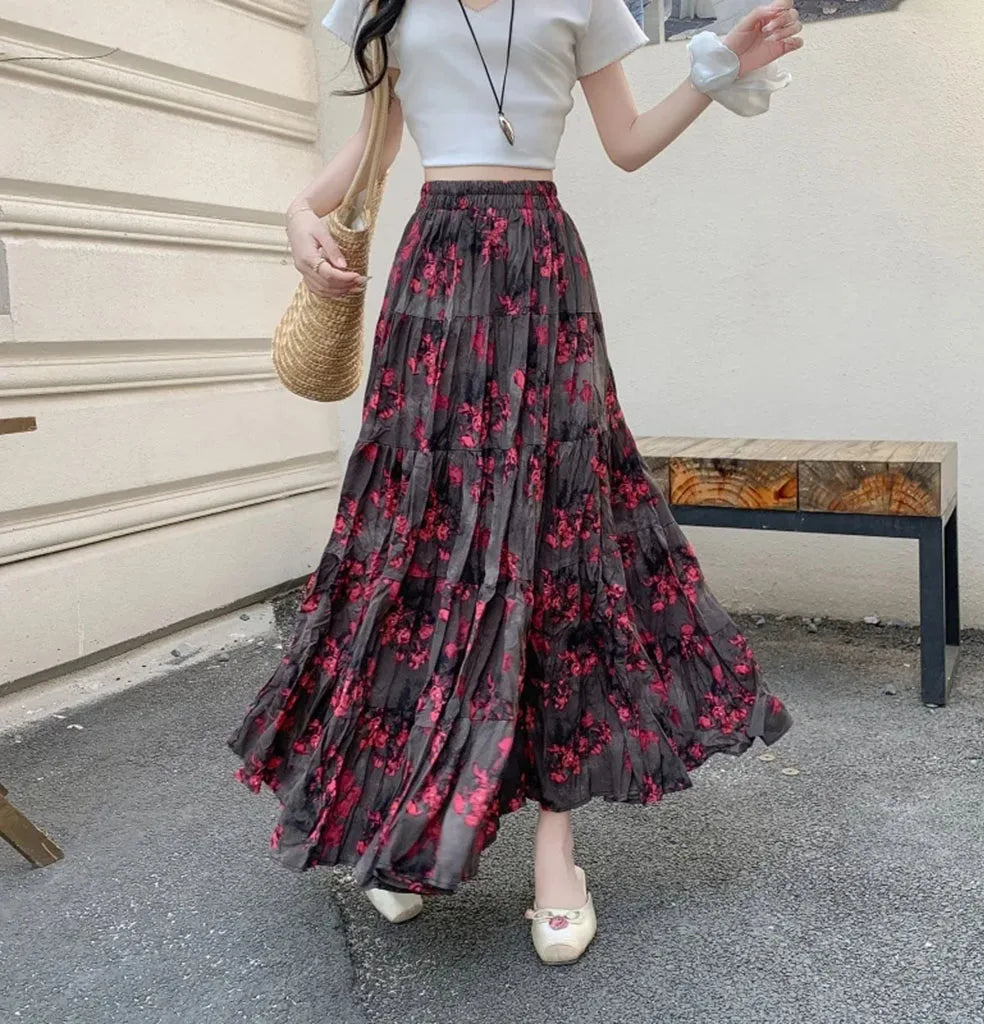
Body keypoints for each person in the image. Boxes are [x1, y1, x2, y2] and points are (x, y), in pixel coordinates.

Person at [230, 0, 802, 965]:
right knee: (420, 541)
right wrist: (298, 213)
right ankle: (405, 818)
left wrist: (714, 72)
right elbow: (377, 144)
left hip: (542, 274)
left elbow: (625, 142)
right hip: (435, 273)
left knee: (556, 541)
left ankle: (556, 853)